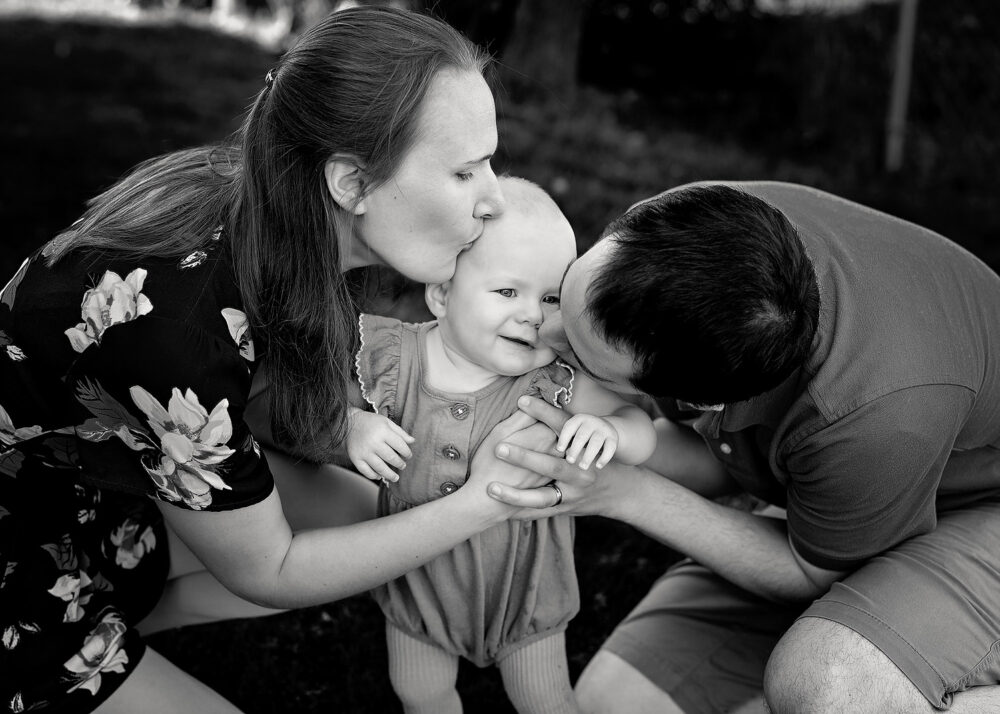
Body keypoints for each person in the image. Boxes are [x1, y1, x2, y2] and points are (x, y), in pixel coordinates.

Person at [0, 8, 563, 713]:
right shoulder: (177, 333)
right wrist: (480, 504)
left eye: (491, 162)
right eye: (465, 170)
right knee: (380, 533)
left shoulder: (274, 209)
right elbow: (272, 570)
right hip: (12, 561)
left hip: (81, 492)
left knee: (376, 518)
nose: (492, 201)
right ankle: (78, 645)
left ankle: (123, 609)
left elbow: (255, 398)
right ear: (352, 184)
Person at [486, 181, 1000, 713]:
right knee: (612, 705)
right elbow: (721, 460)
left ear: (704, 399)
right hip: (861, 487)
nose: (542, 333)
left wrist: (620, 493)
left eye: (584, 359)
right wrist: (617, 440)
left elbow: (810, 573)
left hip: (981, 505)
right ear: (635, 221)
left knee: (828, 689)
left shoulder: (874, 413)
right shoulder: (694, 238)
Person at [345, 176, 657, 714]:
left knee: (543, 700)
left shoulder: (555, 381)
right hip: (419, 578)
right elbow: (308, 404)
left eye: (551, 297)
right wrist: (352, 424)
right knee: (421, 692)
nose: (534, 315)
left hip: (525, 587)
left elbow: (642, 430)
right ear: (442, 294)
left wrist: (612, 432)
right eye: (508, 292)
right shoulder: (392, 358)